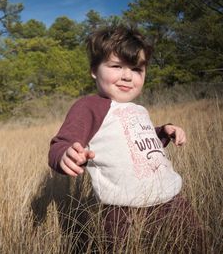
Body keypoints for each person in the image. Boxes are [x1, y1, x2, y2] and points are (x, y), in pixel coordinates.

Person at [48, 25, 203, 251]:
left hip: (173, 200)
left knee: (195, 245)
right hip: (124, 212)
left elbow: (137, 141)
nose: (127, 76)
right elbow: (61, 142)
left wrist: (163, 131)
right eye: (116, 66)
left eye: (136, 69)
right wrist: (64, 155)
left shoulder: (139, 110)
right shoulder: (90, 106)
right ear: (94, 70)